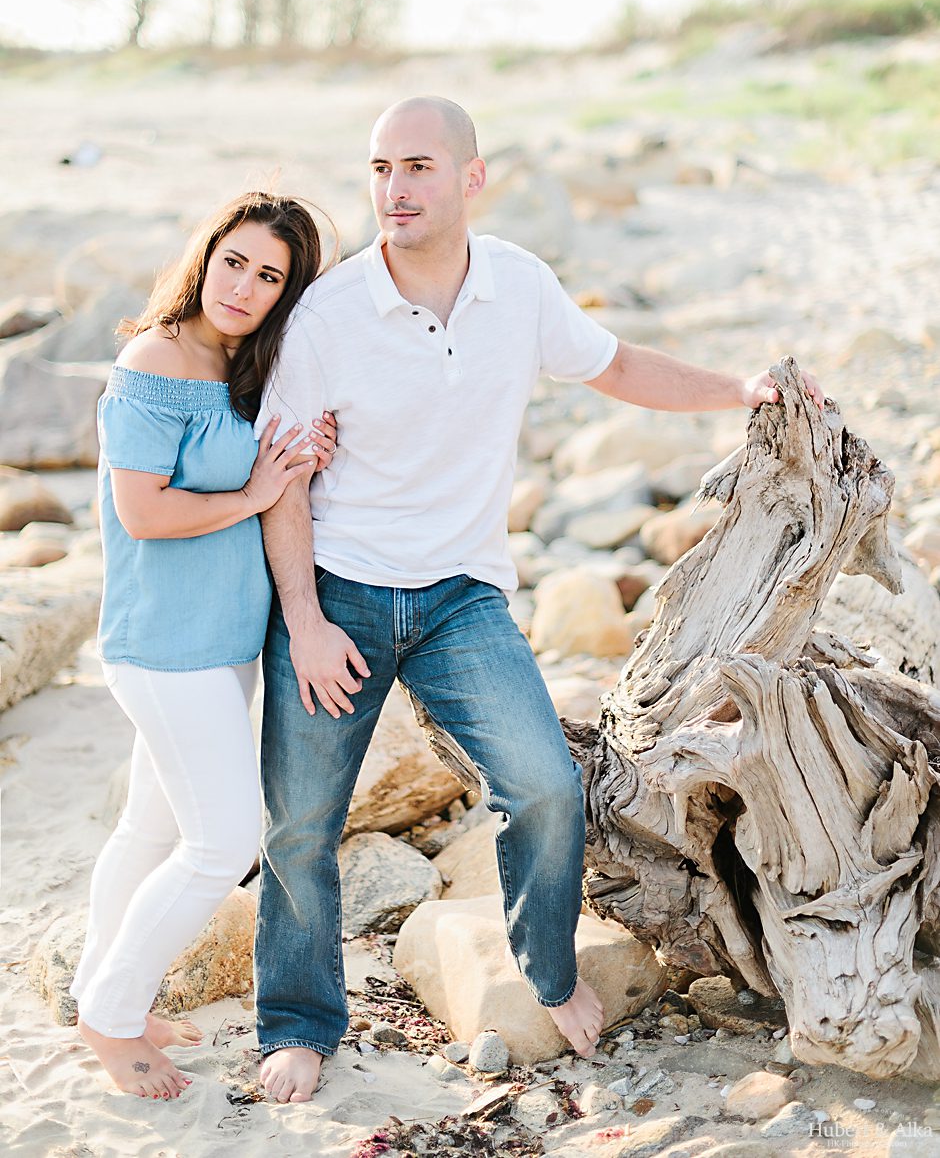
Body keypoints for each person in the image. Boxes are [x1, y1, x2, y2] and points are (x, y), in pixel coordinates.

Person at [253, 98, 824, 1104]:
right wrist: (301, 621)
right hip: (340, 591)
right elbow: (286, 478)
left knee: (548, 788)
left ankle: (547, 972)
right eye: (381, 168)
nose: (395, 189)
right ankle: (298, 1024)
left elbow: (617, 366)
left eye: (419, 167)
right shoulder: (329, 315)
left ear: (472, 179)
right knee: (302, 821)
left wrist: (742, 389)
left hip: (461, 596)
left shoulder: (518, 286)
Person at [70, 193, 339, 1100]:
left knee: (147, 828)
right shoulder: (153, 358)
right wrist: (256, 492)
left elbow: (260, 466)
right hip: (162, 647)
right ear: (206, 254)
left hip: (222, 645)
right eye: (236, 261)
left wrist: (302, 453)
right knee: (220, 844)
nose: (245, 285)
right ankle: (110, 1017)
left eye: (270, 276)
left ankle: (103, 992)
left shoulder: (243, 367)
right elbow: (143, 512)